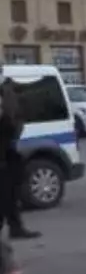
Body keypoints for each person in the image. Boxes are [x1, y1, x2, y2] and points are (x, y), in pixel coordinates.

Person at [0, 79, 37, 240]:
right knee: (6, 195)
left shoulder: (7, 92)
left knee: (10, 194)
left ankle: (15, 227)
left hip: (7, 154)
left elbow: (15, 121)